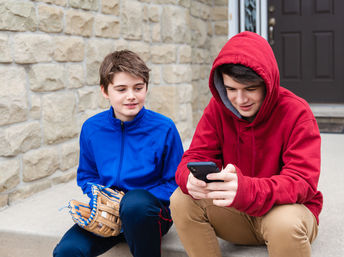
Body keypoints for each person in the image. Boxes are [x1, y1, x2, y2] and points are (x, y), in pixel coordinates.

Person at [170, 31, 322, 257]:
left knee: (284, 225)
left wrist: (246, 189)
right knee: (180, 200)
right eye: (231, 89)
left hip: (283, 211)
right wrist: (189, 179)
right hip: (237, 212)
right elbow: (194, 156)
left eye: (250, 89)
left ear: (267, 83)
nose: (240, 100)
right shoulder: (217, 108)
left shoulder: (297, 112)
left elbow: (301, 182)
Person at [53, 50, 184, 257]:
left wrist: (127, 202)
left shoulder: (164, 128)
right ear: (105, 91)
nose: (131, 96)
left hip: (149, 213)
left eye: (138, 88)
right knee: (67, 251)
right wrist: (103, 198)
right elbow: (87, 175)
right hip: (107, 213)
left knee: (135, 204)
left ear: (146, 88)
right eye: (121, 89)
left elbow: (175, 181)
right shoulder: (91, 128)